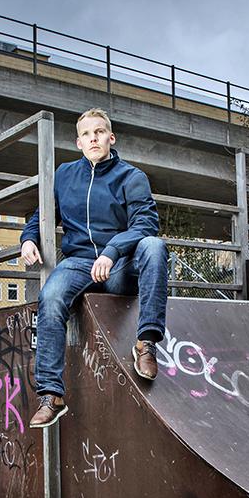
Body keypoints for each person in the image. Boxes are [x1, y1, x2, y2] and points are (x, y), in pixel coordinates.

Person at [20, 108, 169, 428]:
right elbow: (42, 214)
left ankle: (147, 343)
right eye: (87, 134)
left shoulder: (131, 177)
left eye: (99, 132)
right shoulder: (63, 175)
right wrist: (28, 238)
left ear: (110, 138)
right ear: (78, 142)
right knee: (51, 297)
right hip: (78, 263)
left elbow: (146, 224)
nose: (93, 138)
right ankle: (50, 395)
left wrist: (113, 252)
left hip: (119, 267)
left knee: (155, 246)